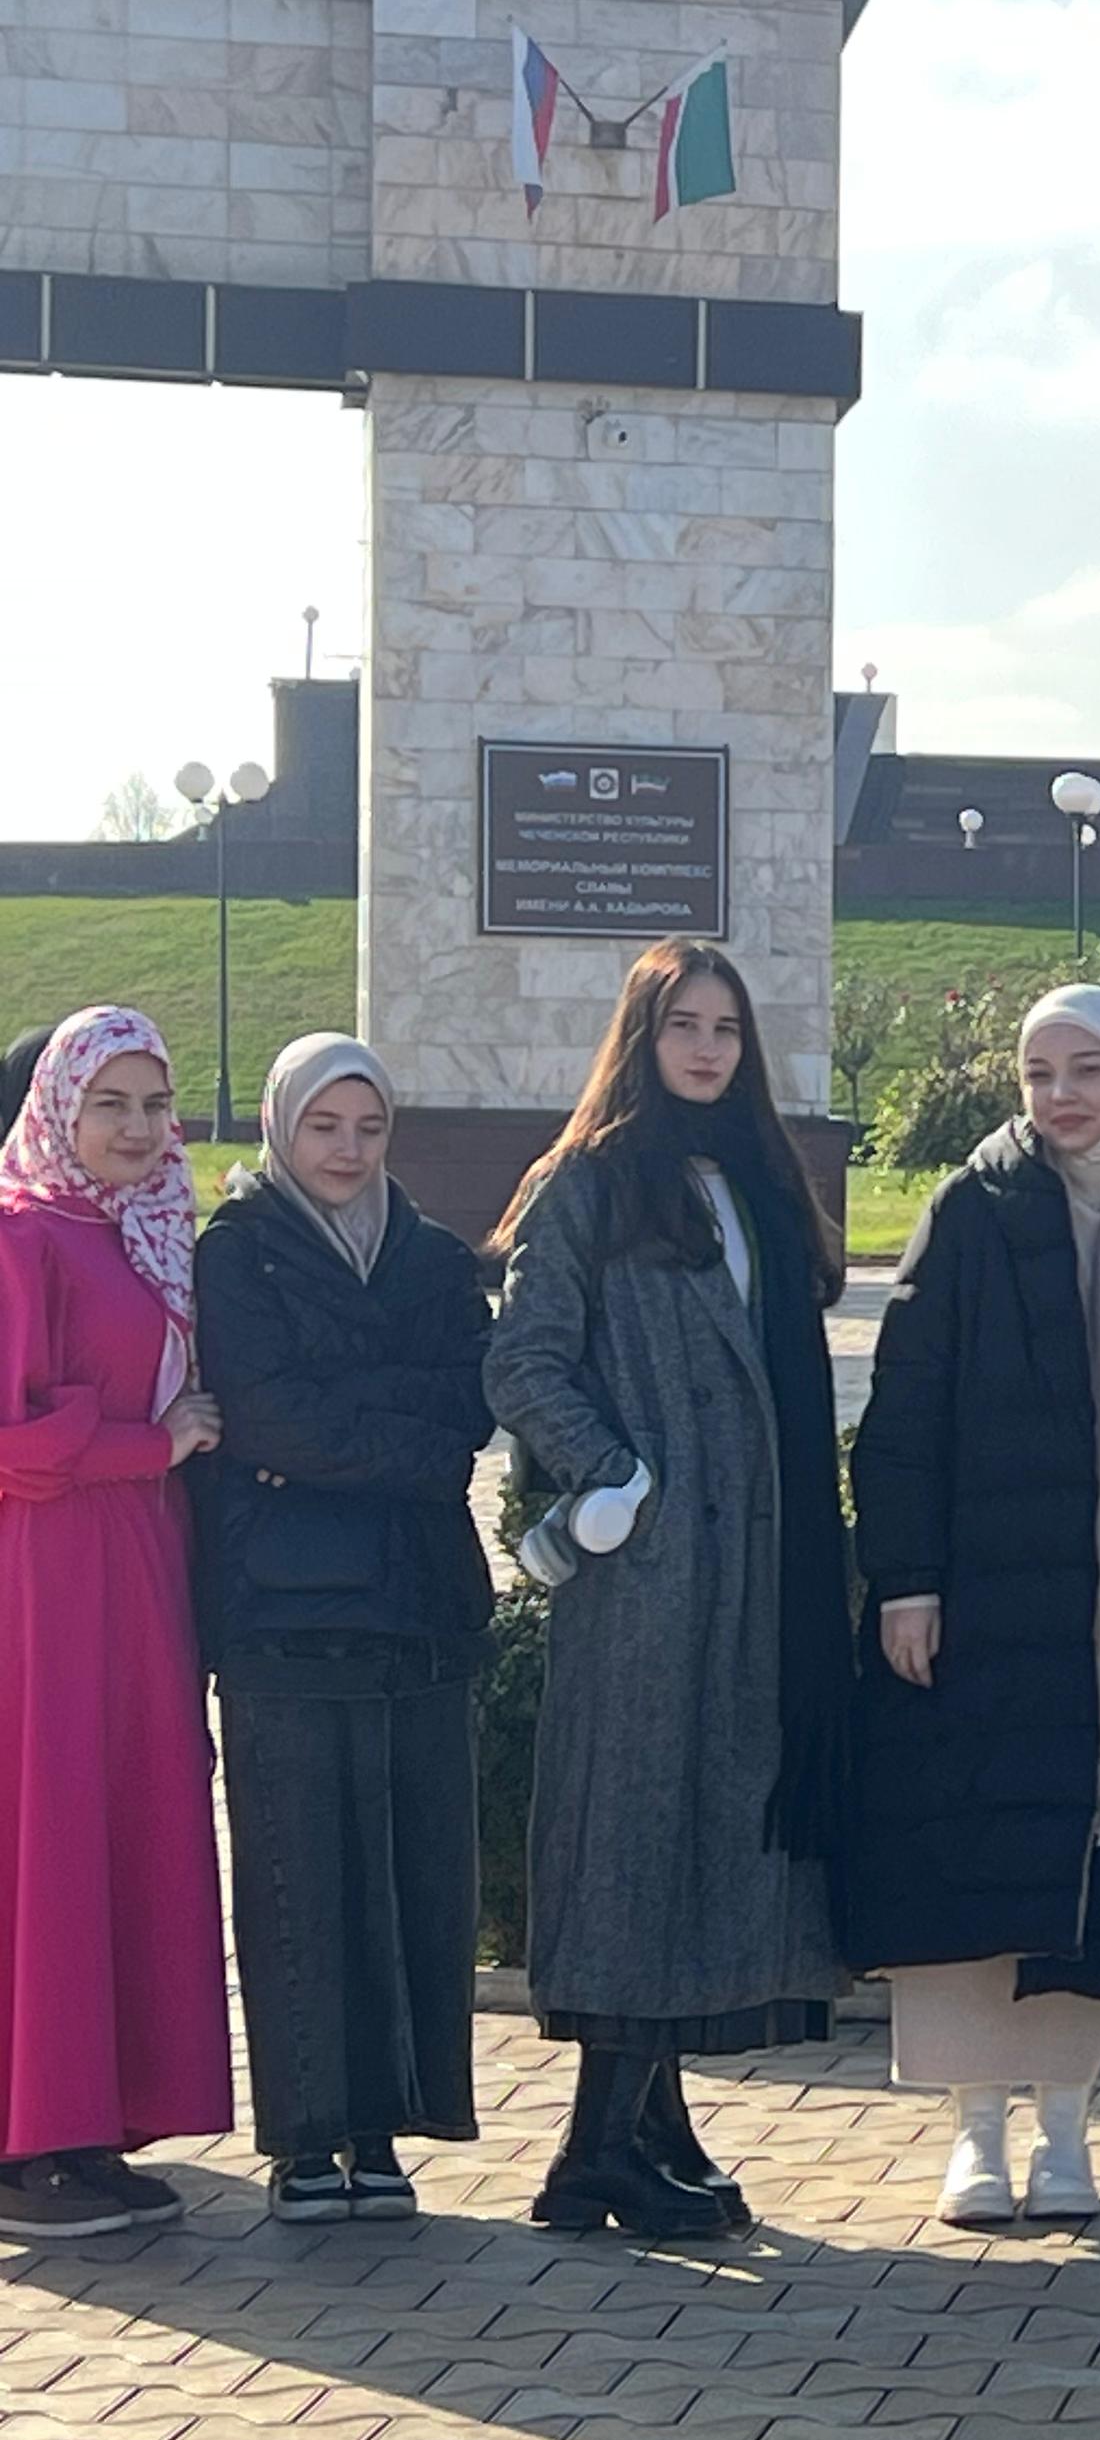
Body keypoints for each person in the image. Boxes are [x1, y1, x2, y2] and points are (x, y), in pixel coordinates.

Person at [486, 940, 851, 2239]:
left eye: (726, 1028)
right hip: (644, 1573)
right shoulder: (585, 1181)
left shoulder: (759, 1181)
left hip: (758, 1567)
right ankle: (592, 2155)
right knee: (635, 1840)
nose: (706, 1048)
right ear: (640, 1037)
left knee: (705, 1834)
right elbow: (523, 1362)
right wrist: (613, 1477)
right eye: (682, 1024)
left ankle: (652, 2126)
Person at [844, 987, 1100, 2229]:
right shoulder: (974, 1208)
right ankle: (975, 2133)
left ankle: (1065, 2127)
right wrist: (906, 1579)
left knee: (1096, 1867)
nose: (1062, 1096)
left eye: (1087, 1069)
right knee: (972, 1857)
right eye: (1040, 1072)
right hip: (988, 1593)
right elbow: (903, 1410)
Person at [194, 1034, 494, 2223]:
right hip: (284, 1614)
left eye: (369, 1128)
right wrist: (394, 1436)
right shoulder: (240, 1251)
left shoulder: (431, 1255)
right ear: (283, 1126)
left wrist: (350, 1426)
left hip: (420, 1607)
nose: (348, 1150)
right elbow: (270, 1419)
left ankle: (387, 2129)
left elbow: (468, 1404)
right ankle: (308, 2140)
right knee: (296, 1879)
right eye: (325, 1126)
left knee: (414, 1879)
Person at [0, 1007, 231, 2237]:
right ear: (59, 1110)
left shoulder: (142, 1231)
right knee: (53, 1827)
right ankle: (28, 2142)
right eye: (110, 1105)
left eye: (154, 1105)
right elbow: (9, 1445)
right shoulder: (22, 1236)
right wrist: (151, 1442)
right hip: (49, 1574)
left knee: (124, 1816)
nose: (138, 1130)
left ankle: (91, 2124)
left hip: (136, 1564)